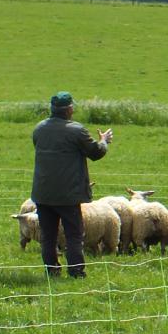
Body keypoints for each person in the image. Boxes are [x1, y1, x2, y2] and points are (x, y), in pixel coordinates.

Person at [30, 91, 112, 278]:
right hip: (68, 195)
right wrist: (104, 141)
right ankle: (76, 272)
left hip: (43, 193)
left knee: (48, 236)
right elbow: (95, 153)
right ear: (69, 109)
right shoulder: (77, 130)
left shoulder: (39, 129)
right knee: (74, 235)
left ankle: (52, 271)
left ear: (52, 109)